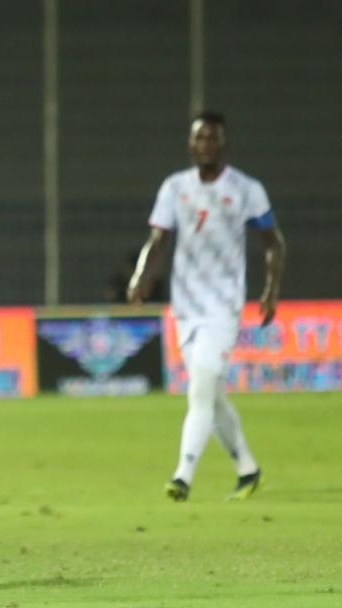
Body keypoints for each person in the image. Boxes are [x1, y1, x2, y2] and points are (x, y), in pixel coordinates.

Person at [127, 111, 286, 502]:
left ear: (224, 144)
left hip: (223, 306)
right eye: (199, 138)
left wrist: (271, 288)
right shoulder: (175, 187)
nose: (205, 145)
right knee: (211, 394)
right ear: (190, 144)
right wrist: (141, 275)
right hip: (185, 307)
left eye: (212, 138)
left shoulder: (246, 189)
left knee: (200, 390)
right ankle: (248, 470)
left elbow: (273, 242)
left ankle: (183, 476)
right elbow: (158, 239)